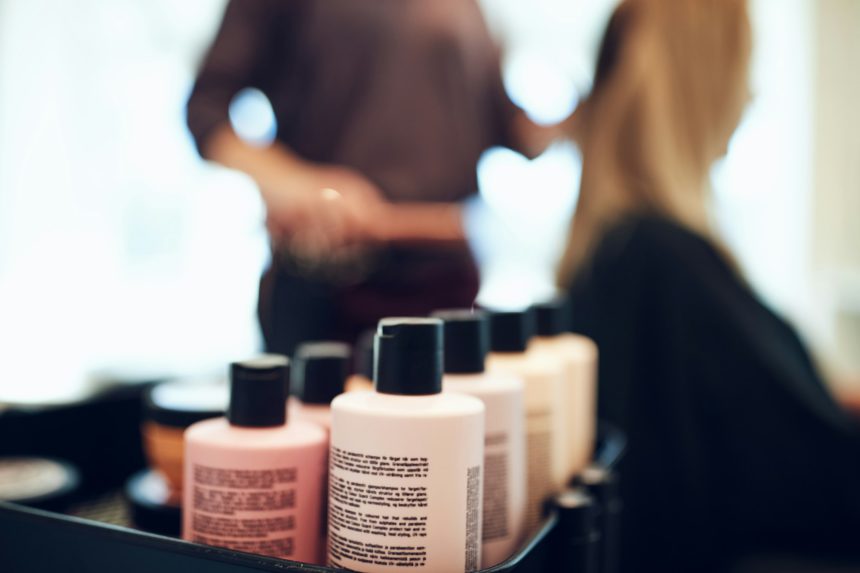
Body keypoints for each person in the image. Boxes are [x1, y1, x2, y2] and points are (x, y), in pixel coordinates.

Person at [556, 1, 860, 571]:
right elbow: (810, 475)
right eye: (744, 68)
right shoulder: (663, 263)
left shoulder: (620, 255)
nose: (750, 96)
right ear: (703, 80)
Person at [186, 0, 556, 356]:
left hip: (448, 284)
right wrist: (299, 183)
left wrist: (593, 111)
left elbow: (508, 127)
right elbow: (207, 110)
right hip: (335, 289)